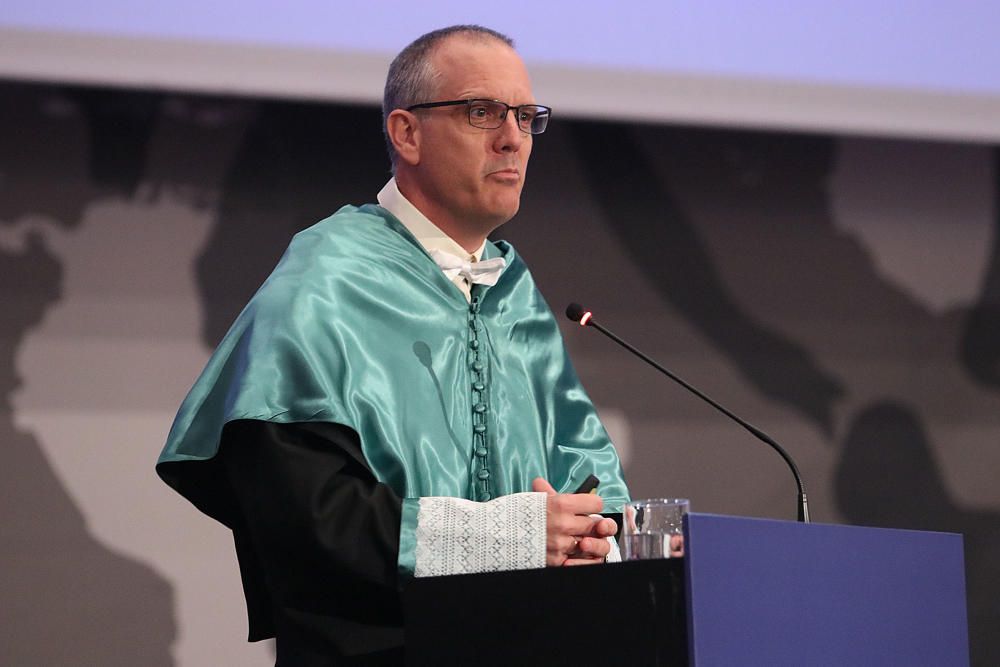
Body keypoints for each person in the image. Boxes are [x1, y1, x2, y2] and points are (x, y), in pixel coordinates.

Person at [157, 25, 629, 664]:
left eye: (525, 116)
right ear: (406, 133)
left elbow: (590, 482)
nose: (513, 138)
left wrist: (598, 538)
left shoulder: (513, 291)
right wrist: (498, 537)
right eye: (481, 112)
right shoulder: (326, 281)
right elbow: (305, 518)